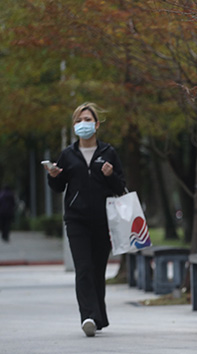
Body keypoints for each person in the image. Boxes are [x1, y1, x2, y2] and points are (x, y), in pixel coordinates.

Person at [45, 102, 126, 337]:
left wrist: (111, 175)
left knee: (98, 269)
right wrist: (53, 176)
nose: (83, 124)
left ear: (97, 124)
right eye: (79, 120)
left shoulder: (108, 152)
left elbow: (120, 186)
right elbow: (59, 188)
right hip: (76, 219)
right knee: (83, 268)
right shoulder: (68, 155)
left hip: (103, 220)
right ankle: (88, 316)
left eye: (88, 120)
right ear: (74, 126)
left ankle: (99, 316)